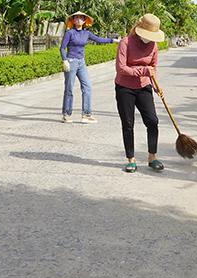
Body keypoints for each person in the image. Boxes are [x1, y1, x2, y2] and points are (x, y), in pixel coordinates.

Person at [115, 14, 166, 173]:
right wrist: (143, 70)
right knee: (128, 124)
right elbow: (121, 68)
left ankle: (152, 156)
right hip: (125, 87)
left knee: (152, 121)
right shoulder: (125, 43)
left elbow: (153, 67)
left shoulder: (153, 46)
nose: (149, 39)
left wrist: (155, 85)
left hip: (144, 86)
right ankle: (131, 159)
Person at [60, 11, 117, 123]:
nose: (78, 19)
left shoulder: (86, 33)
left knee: (87, 87)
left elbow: (99, 39)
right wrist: (65, 60)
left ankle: (86, 115)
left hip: (81, 62)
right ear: (73, 20)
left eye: (81, 18)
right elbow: (62, 48)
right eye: (76, 18)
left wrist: (113, 40)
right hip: (71, 62)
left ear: (85, 20)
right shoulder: (69, 33)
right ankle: (66, 114)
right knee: (69, 88)